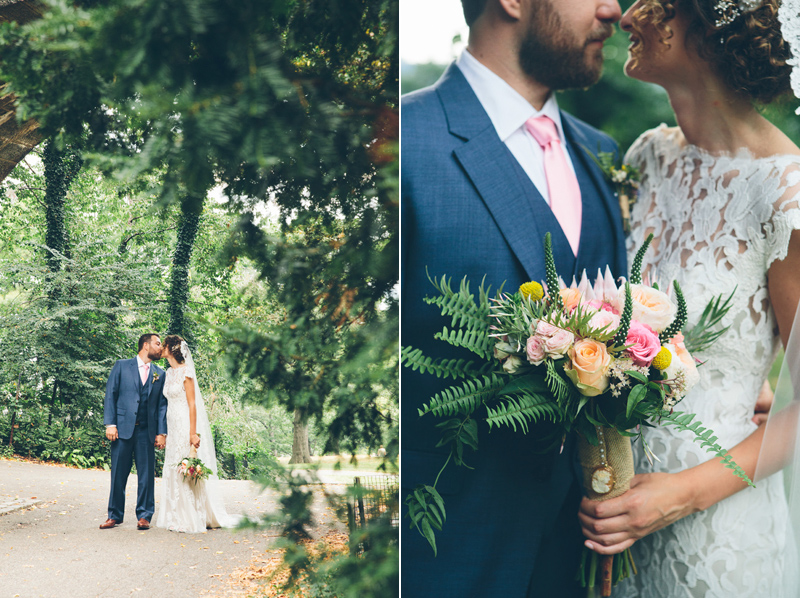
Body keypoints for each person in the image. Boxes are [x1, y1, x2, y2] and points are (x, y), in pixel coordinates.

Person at [401, 0, 627, 595]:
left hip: (580, 556)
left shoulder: (604, 155)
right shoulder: (403, 144)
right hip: (444, 554)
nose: (614, 10)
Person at [577, 1, 800, 595]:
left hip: (716, 539)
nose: (626, 17)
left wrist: (678, 496)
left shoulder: (787, 195)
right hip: (619, 525)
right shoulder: (648, 156)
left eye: (652, 4)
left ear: (705, 29)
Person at [156, 335, 239, 533]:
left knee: (185, 464)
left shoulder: (187, 372)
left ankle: (191, 514)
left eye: (164, 345)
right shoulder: (168, 372)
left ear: (171, 348)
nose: (162, 348)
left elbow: (192, 405)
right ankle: (173, 514)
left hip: (185, 423)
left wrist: (193, 434)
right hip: (172, 425)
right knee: (172, 464)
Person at [100, 333, 168, 530]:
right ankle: (114, 515)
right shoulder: (121, 366)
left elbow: (162, 406)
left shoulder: (160, 374)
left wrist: (161, 432)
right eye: (157, 344)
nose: (160, 347)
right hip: (121, 430)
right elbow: (110, 395)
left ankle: (145, 515)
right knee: (118, 474)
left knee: (146, 476)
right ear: (145, 346)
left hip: (147, 431)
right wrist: (110, 424)